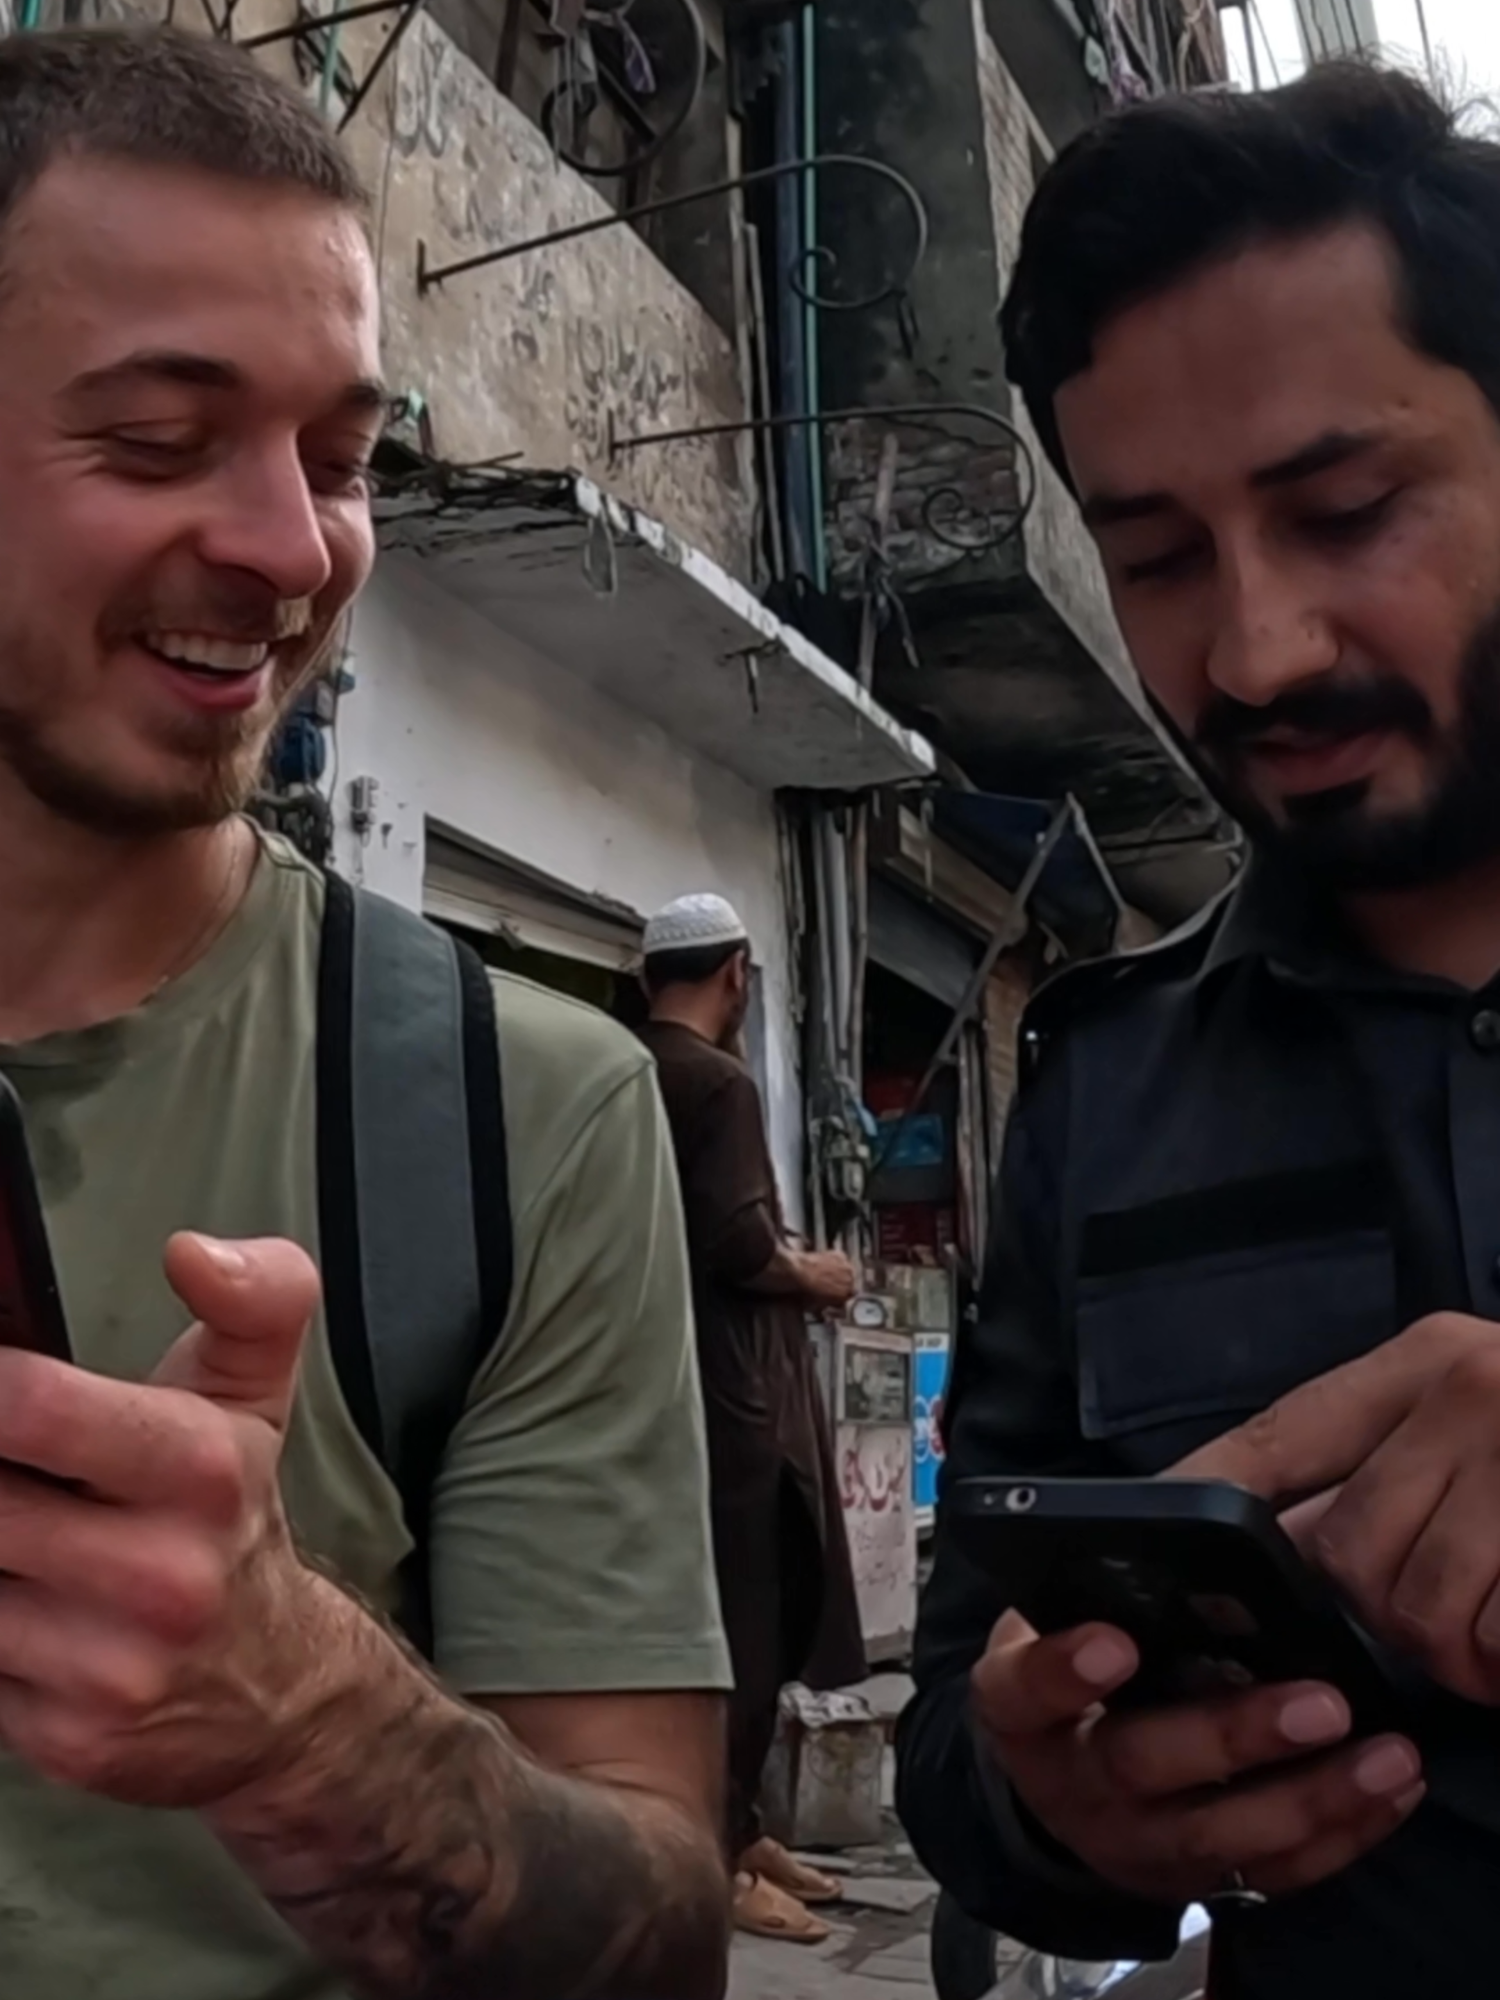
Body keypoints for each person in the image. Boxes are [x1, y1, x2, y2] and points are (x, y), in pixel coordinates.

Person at [0, 24, 733, 2000]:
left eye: (340, 458)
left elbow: (664, 1937)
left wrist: (307, 1717)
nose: (294, 545)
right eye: (159, 441)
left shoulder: (518, 1114)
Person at [899, 62, 1500, 2000]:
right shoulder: (1107, 1091)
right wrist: (1053, 1807)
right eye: (1158, 557)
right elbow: (954, 1710)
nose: (1253, 649)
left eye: (1344, 510)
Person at [637, 895, 867, 1945]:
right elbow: (739, 1247)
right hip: (739, 1395)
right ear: (735, 972)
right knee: (750, 1622)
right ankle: (720, 1860)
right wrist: (815, 1268)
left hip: (674, 1380)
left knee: (738, 1622)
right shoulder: (715, 1082)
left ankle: (746, 1827)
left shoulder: (631, 1065)